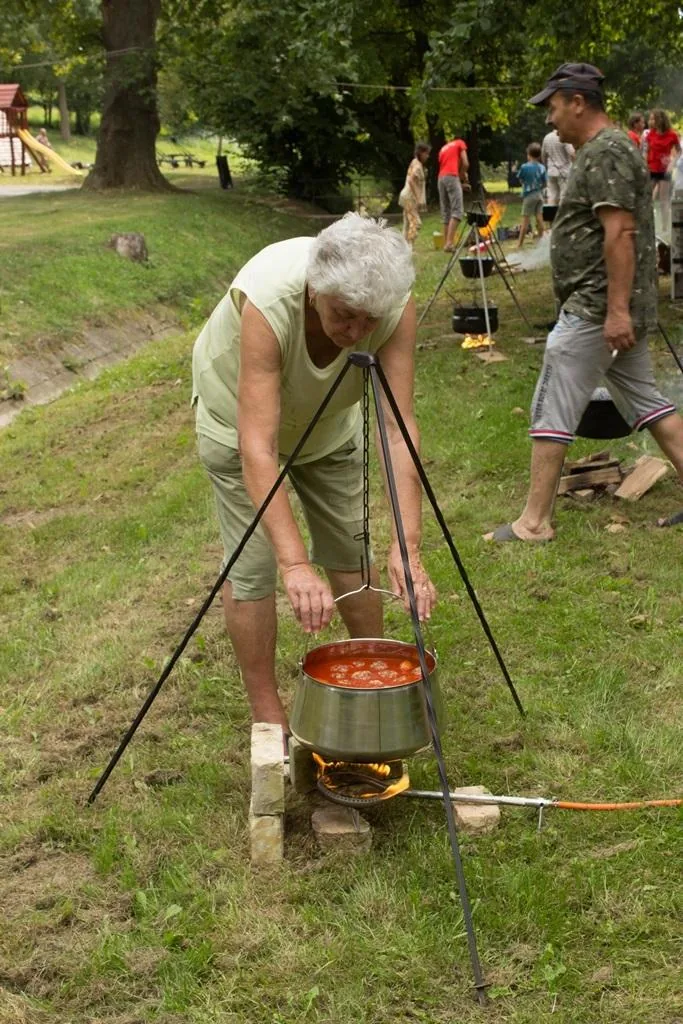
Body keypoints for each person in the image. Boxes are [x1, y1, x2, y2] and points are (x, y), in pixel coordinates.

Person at [192, 213, 437, 738]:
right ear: (314, 290)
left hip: (328, 424)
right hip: (236, 424)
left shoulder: (392, 304)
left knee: (350, 546)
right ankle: (268, 713)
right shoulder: (269, 301)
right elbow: (257, 446)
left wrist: (408, 547)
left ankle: (372, 676)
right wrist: (296, 564)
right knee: (254, 565)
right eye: (344, 316)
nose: (357, 333)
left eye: (369, 321)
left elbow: (397, 430)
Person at [485, 62, 683, 543]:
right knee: (649, 403)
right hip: (608, 307)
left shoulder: (607, 151)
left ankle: (534, 523)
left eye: (553, 107)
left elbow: (620, 233)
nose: (549, 119)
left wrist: (616, 311)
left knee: (552, 404)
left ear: (577, 102)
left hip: (596, 310)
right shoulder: (607, 149)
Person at [438, 135, 470, 252]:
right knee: (457, 211)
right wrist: (461, 176)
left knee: (446, 211)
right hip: (451, 176)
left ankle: (446, 243)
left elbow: (447, 170)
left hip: (441, 179)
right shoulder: (460, 143)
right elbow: (465, 163)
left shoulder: (443, 148)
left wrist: (459, 182)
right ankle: (449, 243)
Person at [399, 143, 431, 247]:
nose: (428, 156)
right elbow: (411, 180)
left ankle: (403, 247)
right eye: (426, 153)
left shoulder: (414, 162)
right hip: (410, 197)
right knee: (416, 223)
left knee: (407, 224)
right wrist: (418, 198)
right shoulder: (417, 165)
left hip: (406, 196)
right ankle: (410, 246)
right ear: (421, 153)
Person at [516, 142, 547, 248]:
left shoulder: (524, 167)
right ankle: (542, 241)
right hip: (539, 195)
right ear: (539, 155)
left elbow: (520, 179)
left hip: (529, 195)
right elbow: (545, 182)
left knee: (525, 220)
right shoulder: (542, 167)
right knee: (539, 218)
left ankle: (519, 244)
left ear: (528, 154)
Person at [541, 127, 574, 205]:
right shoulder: (564, 136)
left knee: (552, 196)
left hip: (551, 171)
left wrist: (547, 166)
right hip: (564, 172)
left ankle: (551, 212)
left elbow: (543, 155)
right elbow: (572, 153)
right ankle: (562, 212)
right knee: (564, 196)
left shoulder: (547, 137)